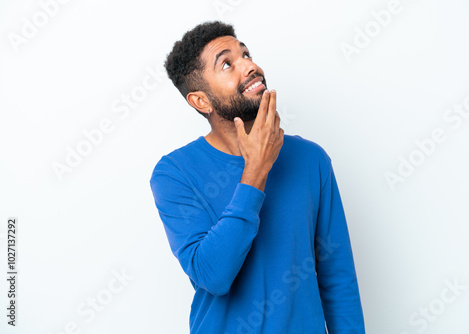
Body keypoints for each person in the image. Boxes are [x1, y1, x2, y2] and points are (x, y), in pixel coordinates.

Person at [149, 21, 365, 334]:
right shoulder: (174, 173)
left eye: (246, 54)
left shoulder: (310, 160)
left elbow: (338, 277)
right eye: (227, 63)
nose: (250, 66)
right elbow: (213, 275)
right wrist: (257, 169)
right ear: (201, 101)